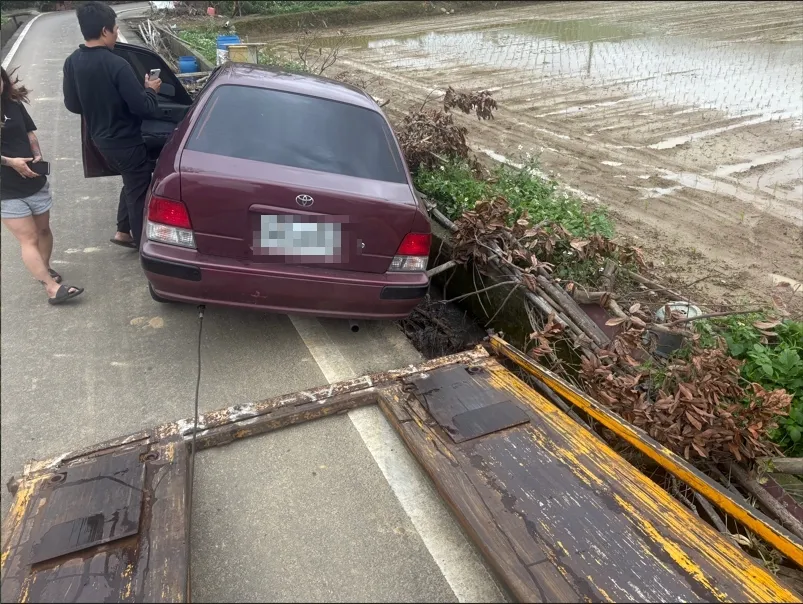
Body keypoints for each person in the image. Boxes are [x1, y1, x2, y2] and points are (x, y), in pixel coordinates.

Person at [62, 0, 162, 250]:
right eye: (115, 29)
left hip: (100, 141)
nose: (117, 34)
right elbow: (144, 108)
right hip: (126, 141)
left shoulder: (72, 62)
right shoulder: (117, 64)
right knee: (139, 190)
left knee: (132, 181)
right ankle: (144, 247)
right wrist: (151, 91)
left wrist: (99, 106)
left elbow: (73, 105)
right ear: (105, 30)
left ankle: (123, 231)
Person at [1, 67, 84, 305]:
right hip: (5, 190)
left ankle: (44, 270)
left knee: (43, 231)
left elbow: (29, 133)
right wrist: (11, 162)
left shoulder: (13, 104)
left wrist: (36, 154)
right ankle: (51, 288)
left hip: (34, 181)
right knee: (28, 238)